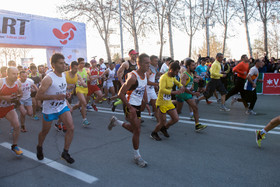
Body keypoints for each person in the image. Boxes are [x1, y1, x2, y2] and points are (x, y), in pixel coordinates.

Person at [108, 53, 150, 167]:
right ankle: (137, 156)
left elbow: (143, 87)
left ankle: (116, 122)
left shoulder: (145, 74)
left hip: (138, 105)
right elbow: (120, 93)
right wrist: (130, 107)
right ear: (139, 63)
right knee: (137, 130)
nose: (148, 65)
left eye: (149, 62)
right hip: (129, 104)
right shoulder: (132, 77)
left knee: (135, 129)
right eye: (146, 63)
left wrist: (145, 101)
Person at [36, 53, 75, 164]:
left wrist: (66, 95)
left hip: (62, 106)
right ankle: (39, 146)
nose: (64, 65)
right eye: (61, 63)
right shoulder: (48, 79)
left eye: (64, 63)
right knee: (44, 132)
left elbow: (61, 91)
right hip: (49, 109)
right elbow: (38, 96)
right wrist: (55, 97)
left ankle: (65, 152)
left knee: (71, 128)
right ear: (53, 65)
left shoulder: (63, 75)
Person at [150, 62, 184, 141]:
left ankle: (164, 128)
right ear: (171, 70)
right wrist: (174, 92)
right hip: (161, 103)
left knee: (176, 118)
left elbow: (176, 82)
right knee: (162, 122)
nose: (176, 74)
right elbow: (161, 90)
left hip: (168, 102)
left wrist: (181, 86)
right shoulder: (163, 77)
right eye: (176, 72)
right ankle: (154, 133)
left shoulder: (172, 77)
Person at [176, 59, 207, 132]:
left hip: (188, 94)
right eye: (193, 65)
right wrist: (193, 93)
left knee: (195, 108)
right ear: (188, 66)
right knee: (178, 112)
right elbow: (183, 88)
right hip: (182, 94)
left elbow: (189, 84)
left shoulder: (191, 74)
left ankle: (197, 125)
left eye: (195, 65)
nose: (194, 66)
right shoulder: (184, 75)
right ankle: (165, 107)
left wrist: (193, 87)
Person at [0, 67, 23, 156]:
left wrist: (17, 97)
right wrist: (4, 97)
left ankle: (14, 146)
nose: (15, 76)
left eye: (17, 74)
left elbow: (20, 95)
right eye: (13, 74)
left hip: (8, 108)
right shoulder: (1, 82)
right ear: (7, 74)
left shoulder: (18, 83)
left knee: (17, 125)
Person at [72, 58, 90, 126]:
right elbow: (73, 79)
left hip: (85, 88)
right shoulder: (76, 71)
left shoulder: (85, 70)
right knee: (84, 103)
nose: (83, 64)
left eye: (84, 63)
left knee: (79, 104)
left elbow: (87, 78)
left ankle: (70, 110)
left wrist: (90, 78)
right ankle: (84, 120)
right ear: (78, 63)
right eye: (81, 63)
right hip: (79, 88)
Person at [147, 55, 159, 121]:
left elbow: (156, 75)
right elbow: (146, 81)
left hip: (151, 90)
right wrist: (156, 84)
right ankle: (137, 117)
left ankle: (158, 119)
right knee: (141, 107)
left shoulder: (154, 68)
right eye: (155, 61)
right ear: (150, 61)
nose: (157, 62)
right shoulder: (148, 69)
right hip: (146, 90)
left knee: (156, 105)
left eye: (157, 61)